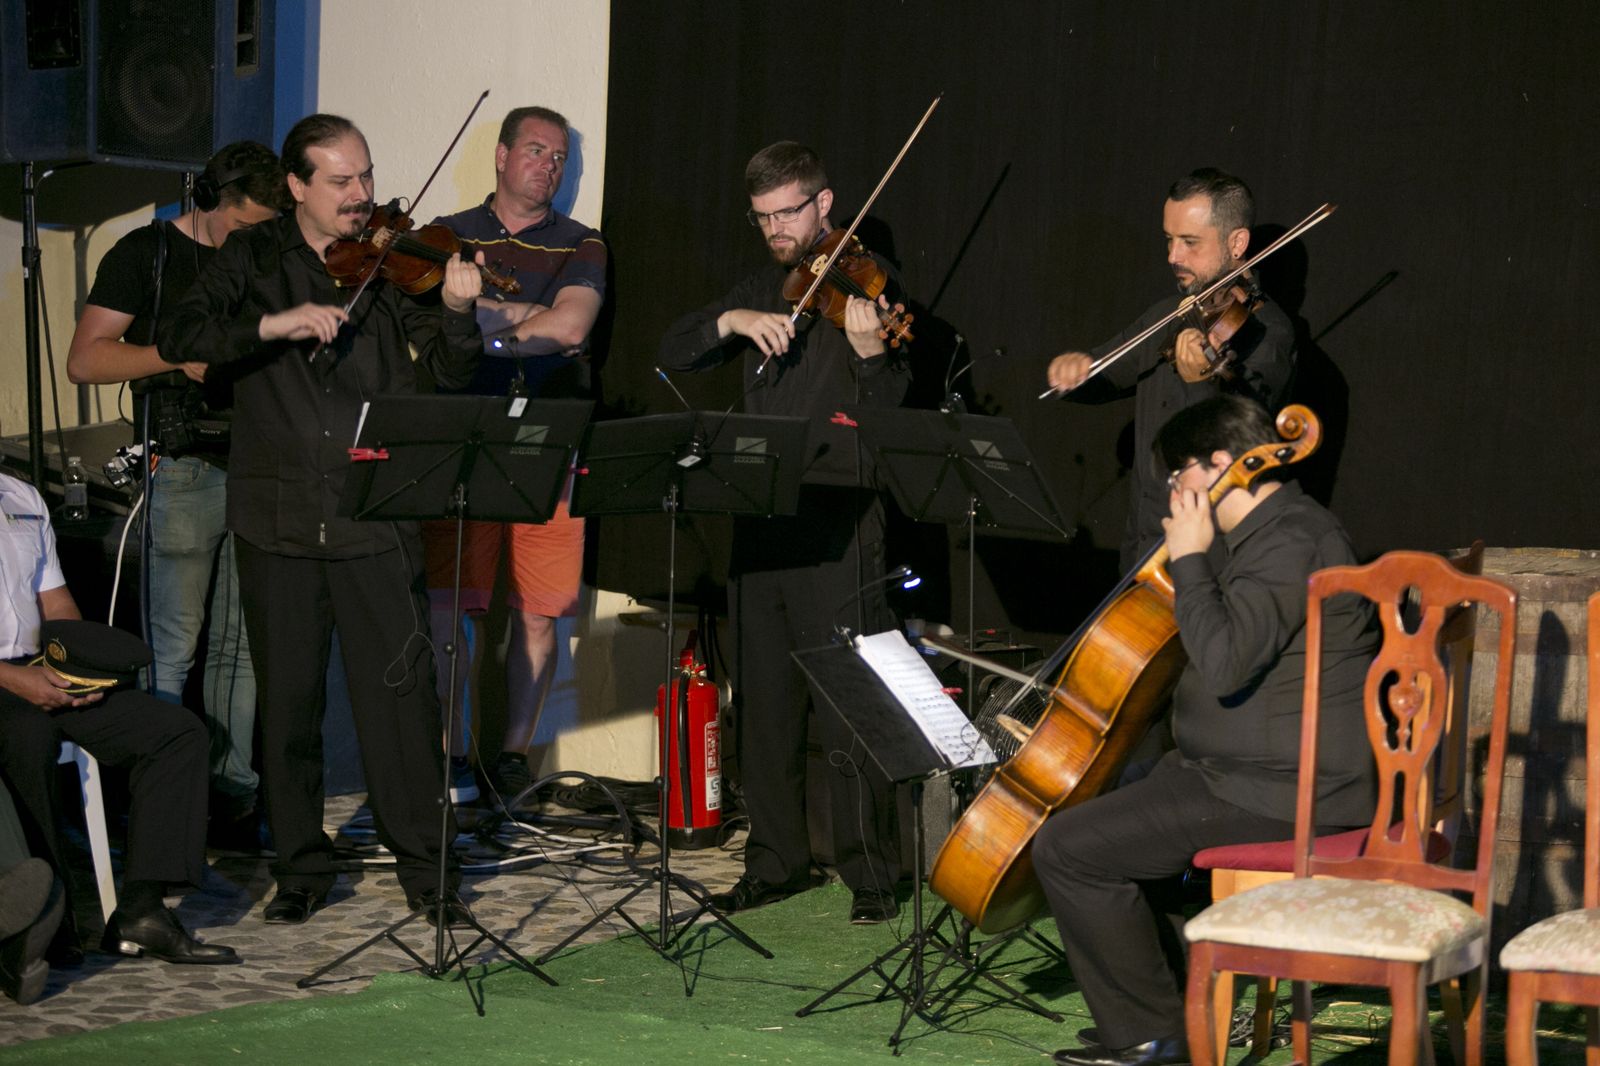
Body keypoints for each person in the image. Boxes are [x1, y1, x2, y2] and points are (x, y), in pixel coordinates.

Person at [156, 114, 485, 927]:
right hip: (279, 514)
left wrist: (457, 313)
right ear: (296, 187)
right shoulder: (253, 257)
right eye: (341, 181)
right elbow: (182, 334)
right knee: (289, 702)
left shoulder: (396, 260)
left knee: (401, 703)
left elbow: (447, 375)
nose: (362, 196)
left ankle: (427, 869)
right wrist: (274, 325)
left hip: (377, 512)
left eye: (367, 176)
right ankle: (300, 865)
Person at [1036, 395, 1378, 1066]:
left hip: (1283, 793)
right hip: (1241, 774)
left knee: (1068, 848)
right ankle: (1181, 1017)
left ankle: (1153, 1036)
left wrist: (1190, 559)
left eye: (1177, 475)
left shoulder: (1290, 541)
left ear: (1221, 465)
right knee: (1120, 819)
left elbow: (1223, 666)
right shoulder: (1274, 534)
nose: (1172, 491)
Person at [657, 141, 911, 924]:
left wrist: (870, 356)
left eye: (789, 213)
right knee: (763, 706)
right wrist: (733, 318)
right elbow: (674, 349)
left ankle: (873, 873)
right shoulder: (763, 285)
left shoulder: (875, 288)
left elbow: (895, 412)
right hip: (761, 519)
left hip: (838, 524)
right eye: (763, 217)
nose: (777, 231)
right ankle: (776, 862)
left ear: (826, 205)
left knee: (847, 704)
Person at [66, 141, 287, 843]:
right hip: (186, 465)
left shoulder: (273, 252)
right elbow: (85, 358)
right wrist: (173, 356)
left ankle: (232, 795)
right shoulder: (147, 253)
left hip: (259, 463)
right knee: (173, 646)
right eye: (245, 226)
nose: (255, 240)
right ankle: (162, 801)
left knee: (241, 645)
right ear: (210, 203)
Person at [422, 106, 607, 805]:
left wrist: (479, 329)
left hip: (548, 443)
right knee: (453, 607)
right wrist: (522, 323)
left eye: (560, 157)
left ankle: (513, 759)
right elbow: (431, 333)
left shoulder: (583, 243)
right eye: (536, 151)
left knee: (539, 610)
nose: (549, 166)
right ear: (500, 156)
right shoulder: (447, 236)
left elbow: (570, 327)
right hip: (461, 439)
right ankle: (454, 757)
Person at [0, 470, 238, 968]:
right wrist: (16, 680)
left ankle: (142, 912)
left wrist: (78, 673)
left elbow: (56, 602)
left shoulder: (20, 495)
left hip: (38, 665)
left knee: (175, 733)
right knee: (29, 734)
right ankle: (43, 921)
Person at [1045, 169, 1296, 570]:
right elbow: (1106, 373)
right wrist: (1073, 372)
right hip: (1140, 549)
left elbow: (1238, 444)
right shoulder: (1168, 314)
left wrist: (1201, 383)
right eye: (1169, 239)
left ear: (1237, 243)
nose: (1172, 257)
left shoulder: (1269, 331)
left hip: (1210, 562)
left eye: (1189, 242)